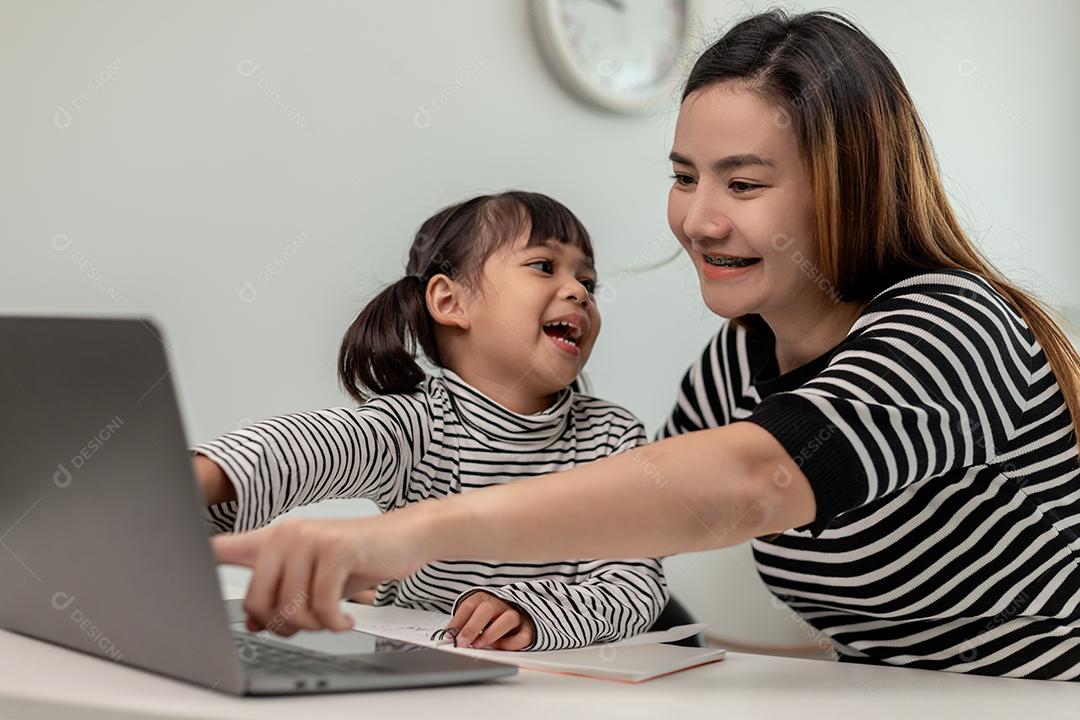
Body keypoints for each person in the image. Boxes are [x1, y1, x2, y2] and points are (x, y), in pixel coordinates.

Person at [211, 10, 1079, 679]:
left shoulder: (951, 323)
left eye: (743, 182)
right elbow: (638, 532)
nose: (698, 220)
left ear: (847, 187)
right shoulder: (733, 366)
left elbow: (754, 483)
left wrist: (402, 538)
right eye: (682, 176)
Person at [192, 190, 669, 651]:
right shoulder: (419, 424)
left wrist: (531, 613)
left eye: (588, 282)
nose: (578, 292)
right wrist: (202, 479)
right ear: (450, 303)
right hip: (426, 679)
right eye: (544, 266)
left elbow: (637, 583)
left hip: (571, 685)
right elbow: (302, 448)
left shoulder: (612, 435)